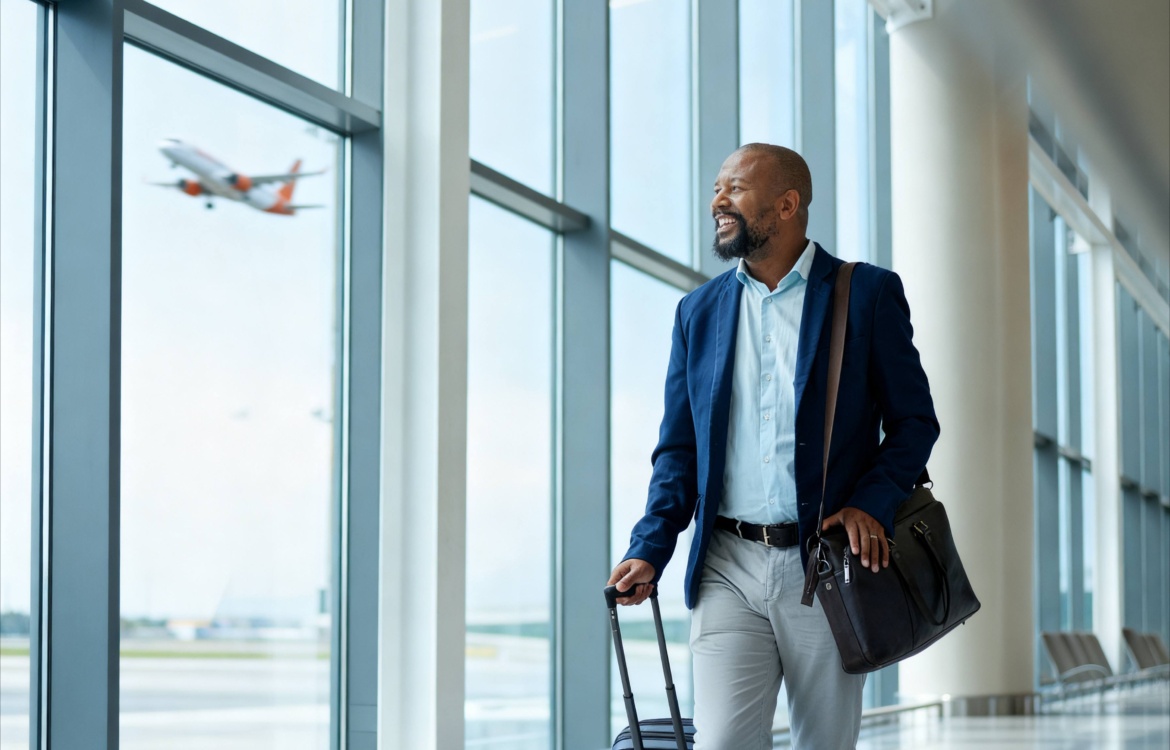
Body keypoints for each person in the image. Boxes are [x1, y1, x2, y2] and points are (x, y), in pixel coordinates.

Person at [606, 144, 939, 749]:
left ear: (787, 205)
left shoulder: (864, 295)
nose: (717, 201)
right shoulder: (698, 312)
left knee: (824, 742)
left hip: (824, 566)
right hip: (726, 565)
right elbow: (679, 449)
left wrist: (871, 501)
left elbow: (916, 422)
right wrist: (650, 544)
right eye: (716, 189)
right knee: (724, 742)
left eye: (734, 188)